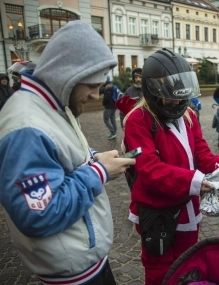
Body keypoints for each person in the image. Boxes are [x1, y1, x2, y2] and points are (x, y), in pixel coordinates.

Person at [0, 20, 136, 285]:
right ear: (67, 75)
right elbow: (39, 213)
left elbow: (60, 156)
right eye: (92, 86)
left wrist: (95, 158)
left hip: (82, 261)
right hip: (72, 274)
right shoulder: (26, 126)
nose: (97, 95)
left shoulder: (53, 105)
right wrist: (99, 172)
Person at [123, 48, 219, 285]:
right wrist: (195, 182)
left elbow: (201, 154)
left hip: (187, 207)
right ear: (153, 92)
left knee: (187, 266)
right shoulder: (138, 120)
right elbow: (149, 170)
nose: (176, 102)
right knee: (160, 271)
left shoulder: (187, 115)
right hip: (158, 213)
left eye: (179, 96)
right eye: (170, 96)